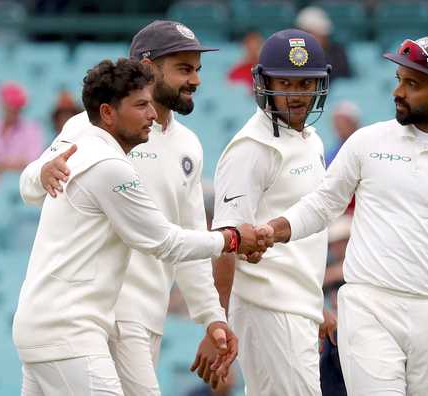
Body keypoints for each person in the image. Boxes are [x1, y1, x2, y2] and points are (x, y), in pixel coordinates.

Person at [264, 36, 428, 395]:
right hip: (368, 305)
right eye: (398, 80)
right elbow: (322, 205)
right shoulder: (367, 142)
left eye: (413, 84)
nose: (399, 92)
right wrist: (273, 230)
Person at [14, 58, 272, 395]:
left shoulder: (91, 147)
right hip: (69, 330)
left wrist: (212, 314)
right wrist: (232, 239)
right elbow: (166, 242)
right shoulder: (108, 165)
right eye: (140, 106)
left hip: (49, 325)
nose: (152, 114)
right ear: (107, 113)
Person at [211, 29, 336, 395]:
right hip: (267, 307)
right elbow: (226, 240)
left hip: (297, 306)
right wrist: (218, 322)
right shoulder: (252, 148)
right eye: (286, 83)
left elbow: (304, 240)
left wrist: (317, 306)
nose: (297, 95)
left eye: (306, 84)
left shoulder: (311, 140)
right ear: (263, 82)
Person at [0, 81, 44, 191]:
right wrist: (15, 164)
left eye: (16, 107)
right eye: (9, 106)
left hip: (25, 191)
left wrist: (0, 166)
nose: (12, 110)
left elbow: (35, 163)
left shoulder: (33, 130)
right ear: (1, 105)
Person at [296, 6, 353, 82]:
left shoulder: (337, 52)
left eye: (321, 34)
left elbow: (344, 77)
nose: (319, 38)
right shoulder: (291, 54)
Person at [325, 101, 360, 167]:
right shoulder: (331, 155)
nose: (337, 126)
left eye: (342, 122)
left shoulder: (366, 148)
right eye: (335, 122)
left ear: (354, 123)